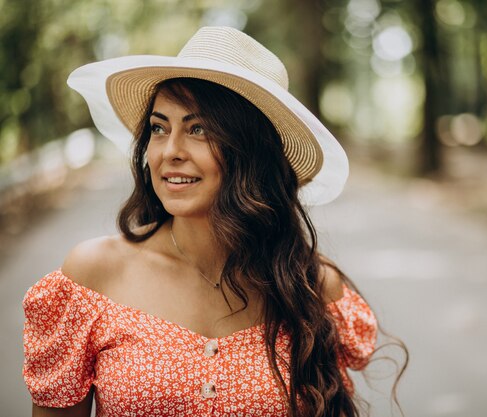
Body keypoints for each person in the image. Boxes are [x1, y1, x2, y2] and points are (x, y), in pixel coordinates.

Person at [22, 27, 385, 417]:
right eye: (159, 128)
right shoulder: (94, 277)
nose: (171, 151)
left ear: (252, 152)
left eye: (199, 130)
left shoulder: (309, 286)